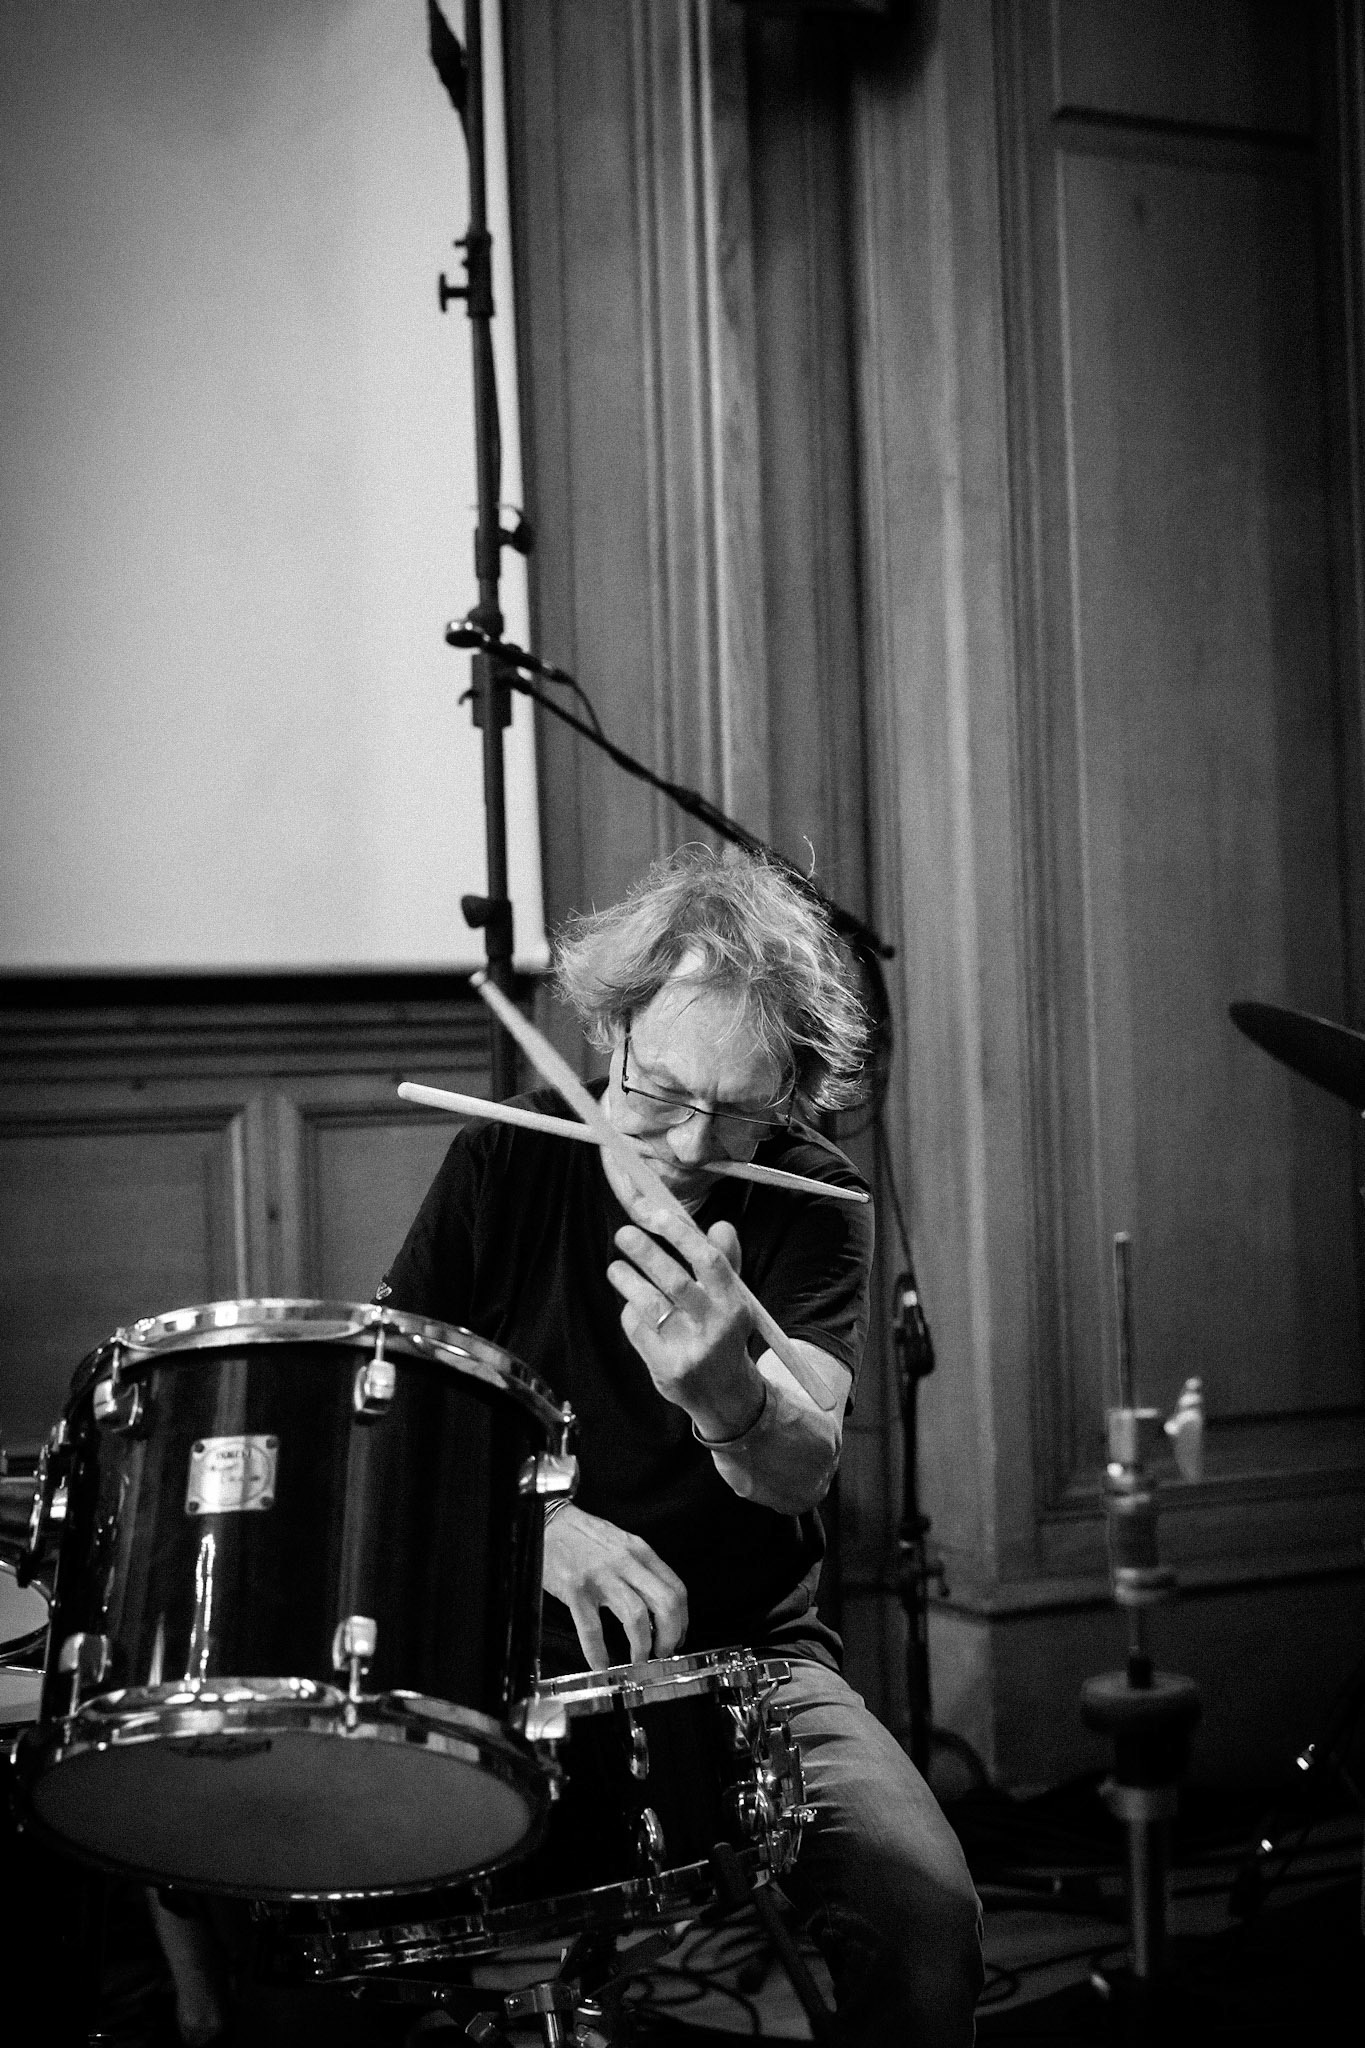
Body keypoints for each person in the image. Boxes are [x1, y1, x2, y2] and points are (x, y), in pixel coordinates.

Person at [380, 847, 983, 2044]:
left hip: (746, 1656)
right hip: (498, 1648)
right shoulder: (505, 1157)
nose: (693, 1147)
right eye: (658, 1093)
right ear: (608, 1038)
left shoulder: (812, 1196)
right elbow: (396, 1411)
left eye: (738, 1108)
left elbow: (801, 1465)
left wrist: (724, 1398)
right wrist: (538, 1519)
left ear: (791, 1095)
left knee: (926, 1917)